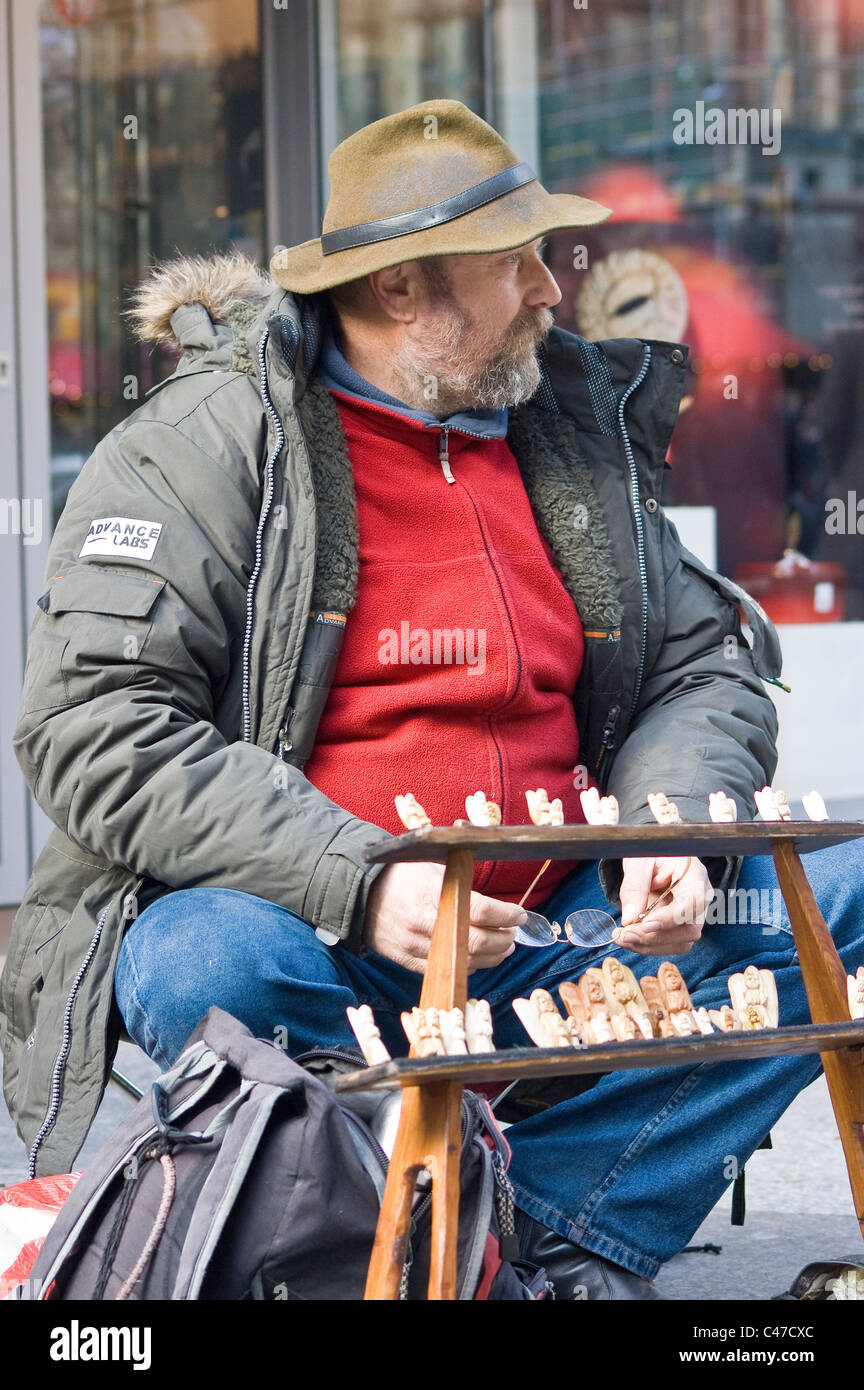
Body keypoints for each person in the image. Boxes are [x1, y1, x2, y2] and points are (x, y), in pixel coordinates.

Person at [2, 100, 861, 1300]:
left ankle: (551, 1229)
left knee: (836, 892)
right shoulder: (199, 442)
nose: (551, 291)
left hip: (563, 935)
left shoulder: (569, 426)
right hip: (322, 943)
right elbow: (94, 728)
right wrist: (358, 879)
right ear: (402, 288)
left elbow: (698, 663)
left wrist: (668, 832)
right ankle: (370, 1223)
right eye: (513, 262)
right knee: (199, 960)